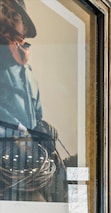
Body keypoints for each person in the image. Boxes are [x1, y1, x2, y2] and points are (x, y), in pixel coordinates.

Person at [0, 0, 65, 201]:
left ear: (24, 27)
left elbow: (36, 113)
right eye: (3, 12)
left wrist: (42, 127)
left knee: (57, 182)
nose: (7, 19)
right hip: (7, 149)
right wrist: (20, 129)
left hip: (28, 151)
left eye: (14, 16)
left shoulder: (29, 72)